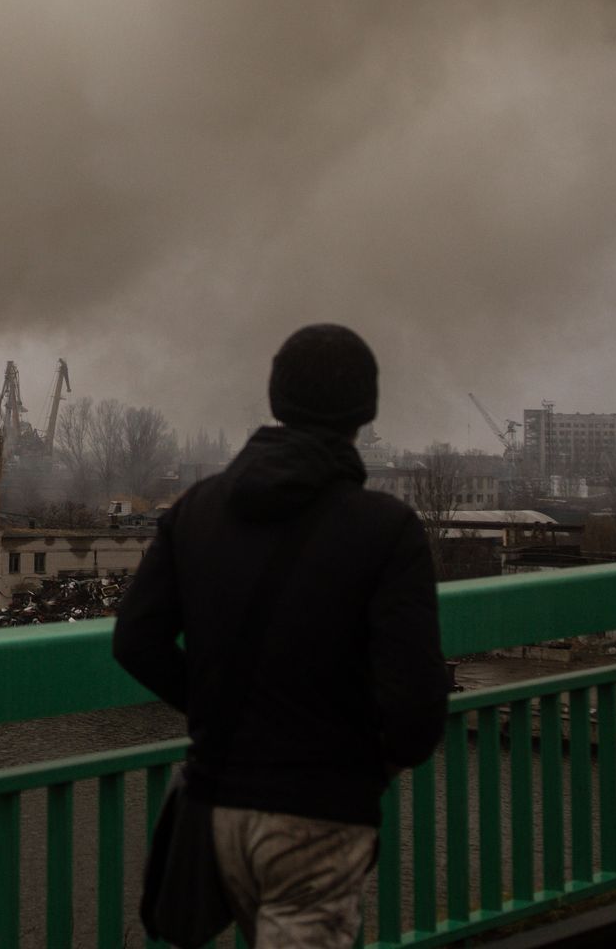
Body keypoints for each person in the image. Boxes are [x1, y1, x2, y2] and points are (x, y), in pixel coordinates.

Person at [113, 324, 449, 948]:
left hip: (214, 809)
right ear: (364, 412)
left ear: (276, 398)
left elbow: (135, 641)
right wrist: (370, 761)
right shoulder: (388, 529)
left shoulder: (195, 509)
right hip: (317, 817)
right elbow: (418, 705)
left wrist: (219, 712)